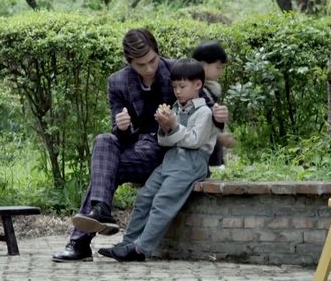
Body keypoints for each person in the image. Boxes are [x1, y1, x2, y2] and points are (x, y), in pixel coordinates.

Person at [52, 29, 228, 262]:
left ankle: (80, 242)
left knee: (106, 170)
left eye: (152, 61)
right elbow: (119, 133)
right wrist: (121, 125)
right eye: (140, 65)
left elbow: (203, 108)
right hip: (137, 152)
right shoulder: (118, 82)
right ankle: (100, 210)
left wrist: (218, 118)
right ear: (129, 62)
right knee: (104, 141)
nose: (149, 68)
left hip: (168, 152)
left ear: (157, 52)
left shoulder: (176, 72)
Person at [97, 58, 217, 261]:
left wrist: (174, 126)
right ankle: (127, 242)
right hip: (171, 160)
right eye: (174, 87)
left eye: (182, 87)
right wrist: (164, 126)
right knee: (144, 196)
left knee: (162, 201)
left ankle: (140, 249)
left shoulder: (204, 112)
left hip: (192, 162)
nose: (177, 91)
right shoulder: (175, 109)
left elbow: (195, 141)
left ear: (198, 85)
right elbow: (163, 141)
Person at [192, 40, 234, 166]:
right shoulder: (197, 92)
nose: (220, 72)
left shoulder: (209, 89)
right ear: (203, 66)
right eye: (218, 67)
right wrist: (219, 137)